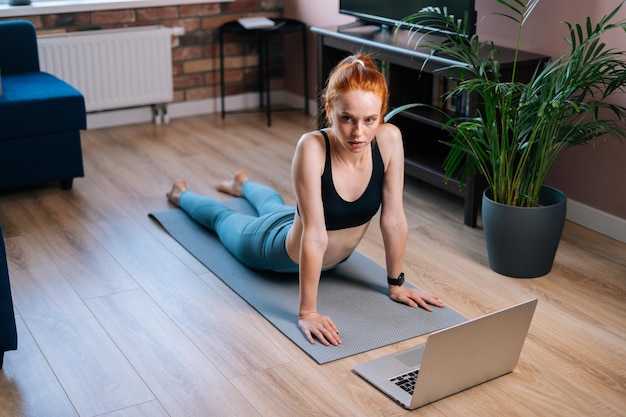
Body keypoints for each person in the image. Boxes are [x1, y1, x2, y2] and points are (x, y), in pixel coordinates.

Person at [166, 54, 444, 346]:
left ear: (382, 114)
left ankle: (242, 184)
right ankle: (180, 193)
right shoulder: (312, 146)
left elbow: (394, 218)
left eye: (369, 120)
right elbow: (313, 235)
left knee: (274, 206)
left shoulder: (389, 139)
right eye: (346, 118)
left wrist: (396, 285)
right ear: (329, 109)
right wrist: (308, 311)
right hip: (272, 248)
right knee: (224, 218)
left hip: (324, 249)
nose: (358, 132)